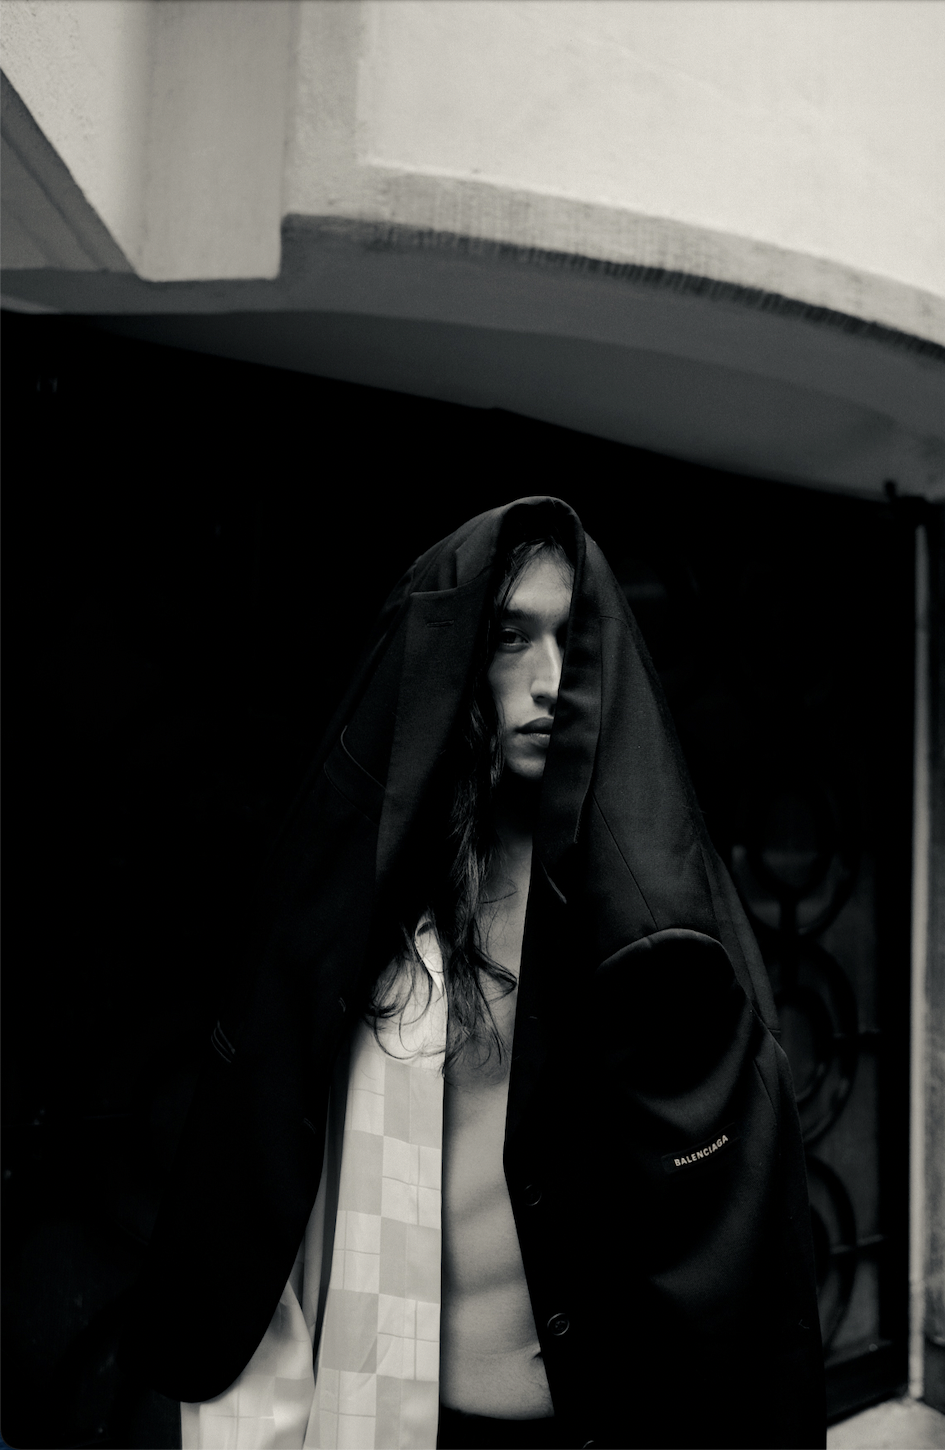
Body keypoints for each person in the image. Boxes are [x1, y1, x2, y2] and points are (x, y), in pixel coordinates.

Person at [120, 496, 826, 1449]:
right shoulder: (360, 908)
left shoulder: (655, 919)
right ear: (454, 657)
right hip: (401, 1412)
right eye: (507, 637)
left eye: (571, 640)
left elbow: (740, 1233)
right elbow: (258, 1159)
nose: (548, 681)